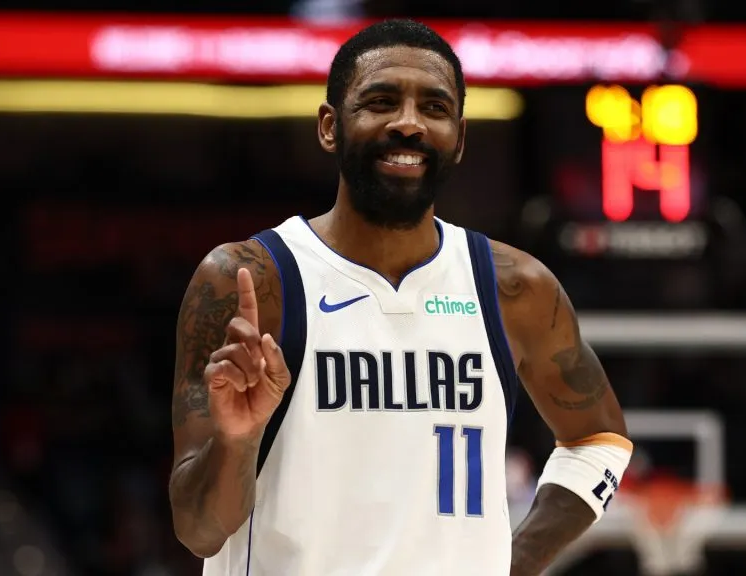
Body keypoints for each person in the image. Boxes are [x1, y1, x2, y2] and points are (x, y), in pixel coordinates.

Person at [168, 19, 632, 576]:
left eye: (434, 107)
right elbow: (198, 531)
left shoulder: (516, 288)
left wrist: (517, 559)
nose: (408, 124)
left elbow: (598, 441)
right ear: (330, 127)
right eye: (381, 101)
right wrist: (236, 441)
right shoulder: (248, 281)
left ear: (459, 139)